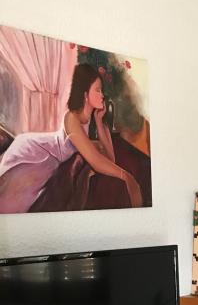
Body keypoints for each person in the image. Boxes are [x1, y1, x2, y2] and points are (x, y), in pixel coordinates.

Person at [0, 63, 142, 213]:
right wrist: (127, 177)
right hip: (36, 151)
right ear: (85, 95)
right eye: (98, 90)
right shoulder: (71, 118)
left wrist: (100, 122)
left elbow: (110, 159)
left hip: (52, 160)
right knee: (13, 197)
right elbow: (97, 161)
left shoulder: (92, 119)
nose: (102, 95)